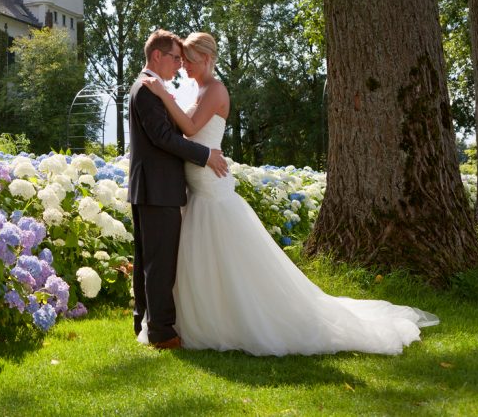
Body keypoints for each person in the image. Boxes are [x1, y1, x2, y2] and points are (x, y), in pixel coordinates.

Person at [139, 32, 438, 355]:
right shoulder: (194, 88)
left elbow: (191, 128)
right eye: (181, 60)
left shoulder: (216, 89)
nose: (184, 67)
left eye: (190, 60)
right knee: (200, 261)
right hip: (196, 189)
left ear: (208, 59)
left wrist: (163, 96)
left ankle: (247, 318)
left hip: (212, 188)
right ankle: (196, 319)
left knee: (232, 259)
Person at [128, 29, 229, 349]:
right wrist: (205, 155)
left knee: (150, 258)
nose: (178, 64)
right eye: (175, 57)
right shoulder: (146, 90)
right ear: (157, 56)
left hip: (154, 187)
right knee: (159, 263)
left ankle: (144, 320)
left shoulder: (152, 89)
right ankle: (161, 331)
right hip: (157, 188)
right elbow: (164, 138)